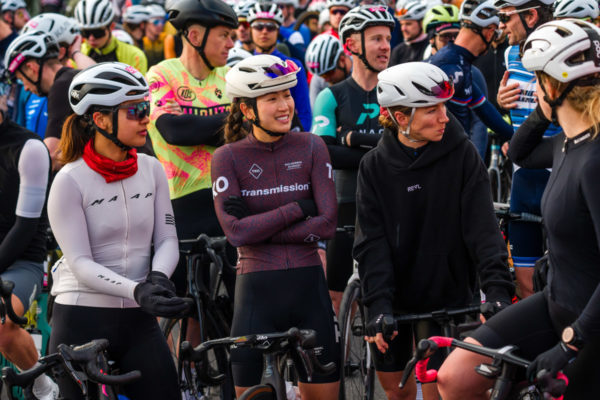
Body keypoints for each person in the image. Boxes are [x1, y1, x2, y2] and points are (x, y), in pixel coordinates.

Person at [438, 19, 600, 399]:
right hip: (554, 302)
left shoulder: (594, 159)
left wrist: (572, 342)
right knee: (454, 377)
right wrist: (545, 112)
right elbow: (521, 153)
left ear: (552, 84)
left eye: (536, 79)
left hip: (588, 326)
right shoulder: (567, 142)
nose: (529, 87)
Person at [354, 61, 514, 400]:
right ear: (401, 118)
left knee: (444, 388)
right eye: (432, 110)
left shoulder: (463, 155)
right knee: (397, 391)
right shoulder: (373, 167)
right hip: (393, 297)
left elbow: (483, 228)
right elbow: (371, 243)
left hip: (448, 293)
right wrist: (378, 304)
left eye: (444, 107)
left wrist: (498, 290)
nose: (445, 117)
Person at [47, 62, 189, 399]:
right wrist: (137, 290)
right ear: (99, 119)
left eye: (147, 107)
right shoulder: (69, 181)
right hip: (81, 316)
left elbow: (167, 237)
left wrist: (157, 278)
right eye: (136, 110)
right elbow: (80, 263)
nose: (146, 118)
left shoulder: (152, 169)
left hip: (138, 320)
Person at [212, 54, 339, 400]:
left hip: (308, 291)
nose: (286, 105)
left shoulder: (312, 146)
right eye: (272, 98)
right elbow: (235, 234)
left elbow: (327, 225)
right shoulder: (227, 157)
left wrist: (258, 226)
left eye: (287, 94)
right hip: (256, 298)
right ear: (247, 110)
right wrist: (298, 208)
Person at [147, 0, 237, 293]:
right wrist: (226, 124)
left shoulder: (231, 78)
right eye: (224, 35)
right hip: (181, 202)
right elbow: (173, 131)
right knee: (185, 309)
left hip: (229, 196)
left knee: (242, 301)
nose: (231, 43)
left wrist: (189, 118)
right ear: (196, 36)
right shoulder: (160, 75)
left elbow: (246, 131)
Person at [312, 4, 393, 315]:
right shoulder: (331, 96)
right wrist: (383, 148)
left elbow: (409, 146)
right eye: (376, 39)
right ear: (351, 45)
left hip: (392, 201)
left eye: (387, 38)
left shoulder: (396, 91)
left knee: (397, 297)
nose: (385, 46)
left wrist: (354, 139)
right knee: (337, 299)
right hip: (346, 203)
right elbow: (325, 154)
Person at [494, 0, 557, 298]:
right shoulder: (510, 53)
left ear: (530, 15)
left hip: (560, 174)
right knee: (526, 282)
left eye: (506, 18)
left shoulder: (564, 49)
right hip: (524, 177)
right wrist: (502, 103)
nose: (501, 25)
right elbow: (518, 108)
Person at [0, 73, 58, 400]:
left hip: (22, 261)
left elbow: (25, 227)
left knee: (4, 329)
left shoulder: (29, 147)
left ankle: (43, 387)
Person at [430, 0, 513, 155]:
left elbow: (485, 110)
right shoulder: (449, 64)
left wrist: (520, 138)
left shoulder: (461, 62)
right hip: (443, 159)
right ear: (489, 32)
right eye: (495, 35)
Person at [19, 13, 96, 139]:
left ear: (61, 52)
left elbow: (96, 75)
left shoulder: (70, 82)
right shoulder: (27, 87)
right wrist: (75, 52)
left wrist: (75, 52)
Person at [248, 2, 312, 130]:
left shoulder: (293, 66)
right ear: (251, 30)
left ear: (278, 31)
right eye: (259, 26)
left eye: (271, 27)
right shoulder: (243, 63)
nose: (264, 31)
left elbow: (305, 113)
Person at [74, 0, 148, 74]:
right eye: (85, 33)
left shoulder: (135, 55)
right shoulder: (77, 53)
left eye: (98, 33)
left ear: (111, 27)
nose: (91, 38)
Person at [305, 33, 352, 107]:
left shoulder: (360, 71)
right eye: (322, 75)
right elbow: (314, 112)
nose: (326, 79)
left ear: (342, 60)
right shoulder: (318, 79)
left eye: (328, 73)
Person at [390, 0, 428, 65]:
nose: (403, 29)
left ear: (422, 23)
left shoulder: (431, 47)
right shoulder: (398, 51)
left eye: (408, 24)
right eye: (401, 24)